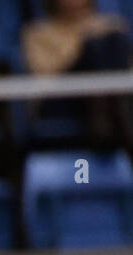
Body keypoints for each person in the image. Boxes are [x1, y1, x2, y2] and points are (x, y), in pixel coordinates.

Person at [23, 0, 133, 153]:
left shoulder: (110, 26)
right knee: (94, 47)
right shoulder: (38, 32)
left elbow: (128, 72)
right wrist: (83, 39)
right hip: (60, 98)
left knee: (115, 39)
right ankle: (109, 125)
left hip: (110, 101)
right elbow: (44, 74)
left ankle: (107, 122)